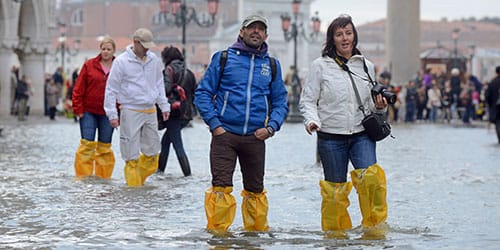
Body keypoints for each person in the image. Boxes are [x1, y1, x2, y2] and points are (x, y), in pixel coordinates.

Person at [194, 14, 288, 232]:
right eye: (251, 28)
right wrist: (215, 126)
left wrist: (271, 128)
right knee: (220, 189)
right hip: (224, 136)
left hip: (256, 137)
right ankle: (218, 240)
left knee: (256, 191)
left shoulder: (272, 65)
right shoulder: (224, 58)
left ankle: (254, 240)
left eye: (260, 29)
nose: (256, 32)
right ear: (242, 32)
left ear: (266, 35)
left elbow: (281, 101)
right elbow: (203, 93)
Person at [298, 15, 388, 238]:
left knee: (372, 182)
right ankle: (335, 236)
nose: (345, 38)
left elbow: (370, 105)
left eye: (348, 33)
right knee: (335, 192)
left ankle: (374, 231)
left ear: (354, 36)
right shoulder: (320, 66)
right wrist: (312, 120)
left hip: (361, 134)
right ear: (332, 39)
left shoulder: (367, 66)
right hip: (330, 136)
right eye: (339, 34)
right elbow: (308, 100)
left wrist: (379, 108)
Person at [104, 28, 170, 187]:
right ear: (135, 42)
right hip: (130, 109)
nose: (147, 48)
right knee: (131, 156)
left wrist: (164, 105)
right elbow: (111, 89)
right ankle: (134, 193)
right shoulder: (121, 62)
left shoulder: (154, 60)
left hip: (150, 109)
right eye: (144, 45)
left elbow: (158, 83)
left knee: (153, 155)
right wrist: (112, 114)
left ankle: (137, 183)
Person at [72, 36, 117, 179]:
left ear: (113, 51)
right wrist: (78, 109)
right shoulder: (89, 65)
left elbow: (124, 90)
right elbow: (78, 88)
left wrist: (119, 111)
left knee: (104, 147)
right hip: (88, 111)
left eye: (108, 49)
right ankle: (83, 176)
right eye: (103, 49)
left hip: (108, 113)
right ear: (100, 50)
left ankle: (103, 177)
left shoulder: (119, 67)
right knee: (87, 145)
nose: (105, 52)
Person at [157, 46, 196, 176]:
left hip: (174, 112)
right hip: (186, 113)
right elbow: (194, 93)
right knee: (166, 141)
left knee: (178, 145)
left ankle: (187, 174)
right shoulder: (189, 72)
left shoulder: (169, 70)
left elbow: (165, 90)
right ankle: (160, 171)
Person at [485, 66, 500, 144]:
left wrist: (490, 104)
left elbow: (487, 95)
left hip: (496, 106)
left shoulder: (493, 82)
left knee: (498, 122)